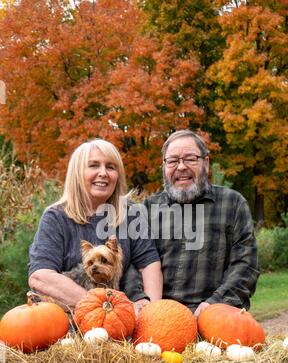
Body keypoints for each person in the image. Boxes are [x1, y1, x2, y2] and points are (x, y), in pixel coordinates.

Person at [124, 129, 259, 317]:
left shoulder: (233, 204)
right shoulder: (147, 208)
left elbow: (246, 266)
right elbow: (129, 262)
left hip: (213, 316)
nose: (181, 167)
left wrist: (213, 304)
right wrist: (140, 298)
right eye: (172, 161)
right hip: (157, 317)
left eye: (190, 158)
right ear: (164, 166)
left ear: (206, 162)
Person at [28, 139, 163, 310]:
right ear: (77, 173)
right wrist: (101, 307)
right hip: (67, 317)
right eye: (93, 166)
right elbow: (41, 276)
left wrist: (152, 310)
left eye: (111, 167)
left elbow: (149, 263)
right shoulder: (55, 218)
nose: (103, 173)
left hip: (119, 319)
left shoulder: (130, 215)